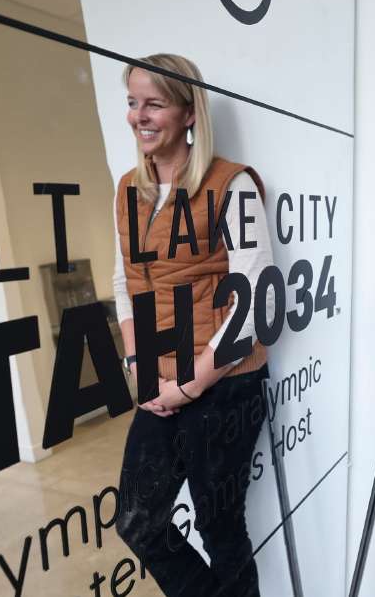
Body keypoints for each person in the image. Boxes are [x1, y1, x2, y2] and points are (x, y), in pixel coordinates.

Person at [112, 53, 274, 597]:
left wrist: (189, 385)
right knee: (137, 521)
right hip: (159, 382)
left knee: (220, 530)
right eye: (133, 102)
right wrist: (141, 371)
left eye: (154, 103)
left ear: (188, 113)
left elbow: (250, 304)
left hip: (224, 385)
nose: (140, 115)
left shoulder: (233, 183)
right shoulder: (127, 191)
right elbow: (126, 284)